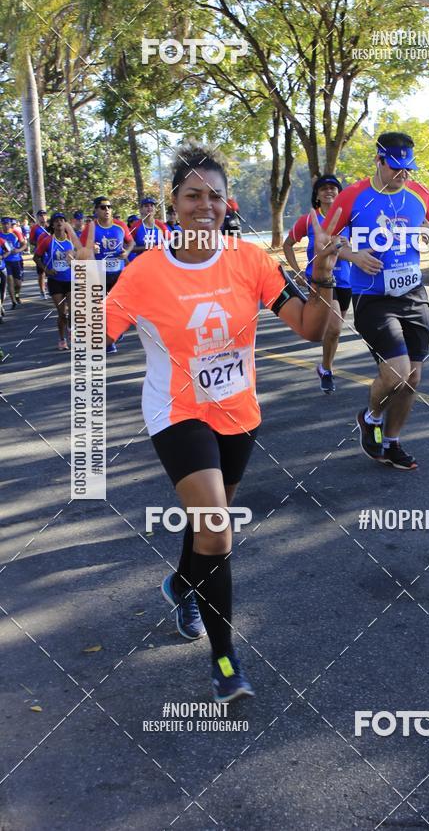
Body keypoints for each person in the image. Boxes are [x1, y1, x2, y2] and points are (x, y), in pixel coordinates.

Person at [104, 142, 341, 702]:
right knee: (216, 526)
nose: (204, 205)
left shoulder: (249, 260)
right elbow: (94, 339)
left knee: (209, 520)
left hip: (238, 410)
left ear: (227, 202)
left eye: (214, 195)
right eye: (192, 195)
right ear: (174, 203)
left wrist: (326, 272)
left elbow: (312, 328)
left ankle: (181, 584)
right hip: (176, 410)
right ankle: (226, 660)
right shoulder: (143, 273)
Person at [327, 131, 429, 469]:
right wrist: (353, 256)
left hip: (413, 294)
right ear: (378, 161)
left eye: (407, 168)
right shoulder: (353, 196)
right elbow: (327, 239)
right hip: (372, 298)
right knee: (397, 374)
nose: (402, 175)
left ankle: (391, 442)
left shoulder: (420, 195)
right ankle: (371, 417)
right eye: (395, 168)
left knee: (414, 378)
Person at [283, 175, 351, 393]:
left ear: (340, 193)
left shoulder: (350, 218)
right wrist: (298, 271)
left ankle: (325, 367)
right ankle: (328, 371)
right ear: (317, 195)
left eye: (333, 188)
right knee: (335, 327)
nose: (329, 192)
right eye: (324, 189)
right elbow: (288, 245)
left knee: (334, 332)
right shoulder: (308, 220)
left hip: (345, 281)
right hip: (320, 280)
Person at [80, 197, 134, 352]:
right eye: (103, 207)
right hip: (98, 273)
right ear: (96, 210)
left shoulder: (121, 226)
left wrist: (127, 252)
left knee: (121, 307)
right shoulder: (90, 229)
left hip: (118, 273)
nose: (107, 210)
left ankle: (116, 330)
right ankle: (109, 342)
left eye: (109, 207)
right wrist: (91, 249)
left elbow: (131, 242)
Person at [34, 212, 78, 350]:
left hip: (71, 279)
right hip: (55, 281)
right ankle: (61, 338)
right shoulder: (48, 240)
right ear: (52, 224)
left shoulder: (72, 239)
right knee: (62, 313)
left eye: (62, 220)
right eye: (57, 221)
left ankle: (71, 331)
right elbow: (36, 257)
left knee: (73, 310)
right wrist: (46, 270)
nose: (59, 223)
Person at [128, 196, 169, 261]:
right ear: (141, 209)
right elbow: (128, 247)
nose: (149, 208)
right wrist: (145, 248)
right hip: (142, 263)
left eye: (152, 205)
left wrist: (159, 247)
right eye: (146, 206)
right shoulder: (136, 226)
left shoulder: (161, 225)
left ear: (155, 209)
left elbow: (171, 243)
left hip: (159, 262)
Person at [1, 217, 27, 308]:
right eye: (3, 224)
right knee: (10, 280)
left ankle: (17, 295)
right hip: (5, 261)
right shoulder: (0, 235)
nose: (5, 225)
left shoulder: (16, 233)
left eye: (7, 223)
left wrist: (19, 250)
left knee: (18, 284)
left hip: (16, 260)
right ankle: (13, 301)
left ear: (10, 224)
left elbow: (24, 245)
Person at [29, 209, 49, 298]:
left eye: (44, 215)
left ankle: (51, 289)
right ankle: (42, 291)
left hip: (49, 253)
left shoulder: (50, 227)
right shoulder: (35, 228)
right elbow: (31, 241)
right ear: (38, 217)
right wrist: (38, 243)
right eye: (41, 215)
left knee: (51, 272)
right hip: (40, 253)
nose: (43, 217)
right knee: (41, 273)